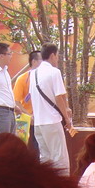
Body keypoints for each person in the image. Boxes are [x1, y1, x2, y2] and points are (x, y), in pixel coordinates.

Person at [30, 43, 73, 175]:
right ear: (53, 55)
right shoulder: (55, 72)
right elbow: (59, 97)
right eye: (57, 55)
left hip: (38, 123)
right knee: (60, 159)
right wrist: (67, 118)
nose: (58, 59)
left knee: (45, 159)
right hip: (52, 121)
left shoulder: (33, 73)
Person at [12, 50, 43, 155]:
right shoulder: (22, 79)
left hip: (42, 119)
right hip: (25, 120)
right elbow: (16, 101)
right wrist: (29, 116)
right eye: (42, 60)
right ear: (34, 62)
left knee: (40, 148)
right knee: (23, 147)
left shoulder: (45, 78)